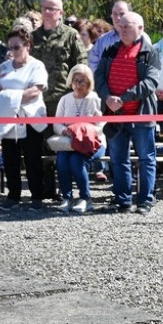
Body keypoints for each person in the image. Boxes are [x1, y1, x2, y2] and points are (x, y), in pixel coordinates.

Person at [94, 11, 159, 215]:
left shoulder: (150, 53)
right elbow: (99, 77)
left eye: (127, 26)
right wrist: (107, 98)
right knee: (117, 159)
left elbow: (151, 82)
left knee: (146, 158)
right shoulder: (110, 50)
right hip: (115, 115)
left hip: (141, 114)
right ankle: (122, 200)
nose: (122, 29)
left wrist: (124, 97)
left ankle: (145, 201)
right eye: (120, 26)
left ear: (140, 29)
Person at [0, 28, 49, 208]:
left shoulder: (36, 66)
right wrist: (7, 99)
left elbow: (35, 91)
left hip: (30, 117)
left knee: (32, 158)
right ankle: (13, 196)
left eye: (16, 47)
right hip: (8, 119)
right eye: (10, 48)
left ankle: (37, 197)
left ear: (27, 46)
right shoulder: (3, 68)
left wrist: (10, 96)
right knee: (10, 158)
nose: (12, 52)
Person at [52, 64, 105, 213]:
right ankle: (66, 198)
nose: (78, 84)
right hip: (69, 142)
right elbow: (57, 124)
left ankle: (85, 198)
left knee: (76, 160)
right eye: (75, 80)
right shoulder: (65, 99)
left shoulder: (94, 99)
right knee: (62, 160)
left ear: (89, 82)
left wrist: (84, 131)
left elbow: (101, 125)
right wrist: (66, 131)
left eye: (82, 81)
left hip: (93, 142)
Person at [32, 0, 87, 118]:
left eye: (51, 9)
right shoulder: (32, 37)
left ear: (61, 13)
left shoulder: (70, 35)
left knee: (62, 135)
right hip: (36, 97)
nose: (46, 12)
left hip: (63, 97)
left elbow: (81, 63)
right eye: (44, 8)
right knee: (38, 136)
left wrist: (79, 90)